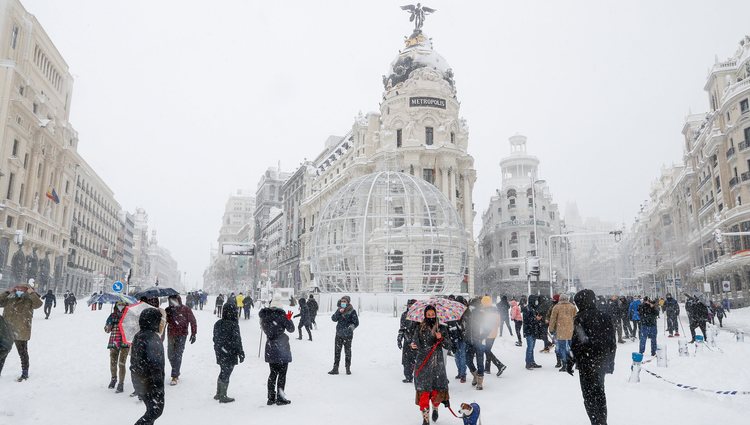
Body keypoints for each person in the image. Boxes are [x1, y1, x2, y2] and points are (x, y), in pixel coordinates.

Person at [568, 289, 617, 425]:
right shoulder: (605, 316)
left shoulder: (580, 318)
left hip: (586, 363)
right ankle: (602, 421)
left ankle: (595, 421)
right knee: (600, 394)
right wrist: (610, 362)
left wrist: (570, 361)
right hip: (601, 362)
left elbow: (577, 343)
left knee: (589, 396)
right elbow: (612, 342)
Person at [410, 305, 452, 425]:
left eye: (432, 314)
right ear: (424, 316)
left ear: (436, 314)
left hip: (437, 365)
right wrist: (413, 346)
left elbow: (449, 345)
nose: (430, 317)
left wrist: (441, 338)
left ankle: (435, 407)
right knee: (423, 393)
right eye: (428, 315)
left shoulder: (442, 328)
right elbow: (415, 342)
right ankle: (425, 418)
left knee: (436, 392)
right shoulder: (419, 328)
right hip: (423, 364)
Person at [0, 281, 43, 380]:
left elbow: (38, 304)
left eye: (22, 288)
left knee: (22, 353)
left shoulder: (30, 299)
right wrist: (7, 292)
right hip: (7, 330)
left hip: (21, 330)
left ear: (27, 289)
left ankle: (25, 373)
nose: (19, 290)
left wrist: (31, 293)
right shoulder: (9, 298)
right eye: (18, 288)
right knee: (2, 353)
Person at [130, 308, 165, 425]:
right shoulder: (153, 339)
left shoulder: (139, 335)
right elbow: (155, 365)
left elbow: (135, 359)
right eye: (160, 320)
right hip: (150, 383)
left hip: (139, 380)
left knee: (151, 410)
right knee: (155, 411)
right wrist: (158, 386)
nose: (161, 323)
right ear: (153, 321)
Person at [260, 295, 294, 405]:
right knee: (282, 374)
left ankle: (270, 398)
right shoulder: (282, 316)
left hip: (270, 346)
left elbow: (264, 329)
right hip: (282, 346)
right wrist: (288, 318)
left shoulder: (264, 316)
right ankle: (280, 397)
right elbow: (291, 329)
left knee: (272, 373)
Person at [212, 302, 244, 403]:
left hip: (220, 352)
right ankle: (223, 395)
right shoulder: (234, 325)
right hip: (230, 352)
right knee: (227, 372)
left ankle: (218, 393)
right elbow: (237, 340)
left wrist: (219, 348)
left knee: (222, 370)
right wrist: (240, 352)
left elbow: (215, 339)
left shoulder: (218, 323)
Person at [164, 295, 197, 386]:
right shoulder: (168, 310)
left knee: (178, 354)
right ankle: (176, 370)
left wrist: (194, 333)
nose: (171, 302)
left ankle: (174, 376)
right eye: (170, 301)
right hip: (171, 334)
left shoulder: (186, 309)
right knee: (170, 355)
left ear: (178, 300)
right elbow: (163, 322)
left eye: (173, 300)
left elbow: (193, 321)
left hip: (182, 334)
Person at [328, 295, 359, 375]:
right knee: (337, 352)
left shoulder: (352, 311)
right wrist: (339, 312)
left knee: (347, 352)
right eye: (342, 301)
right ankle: (335, 368)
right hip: (339, 334)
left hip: (348, 335)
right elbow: (333, 319)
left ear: (348, 302)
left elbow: (356, 322)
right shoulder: (339, 310)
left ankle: (347, 368)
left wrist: (351, 327)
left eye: (344, 301)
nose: (343, 303)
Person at [105, 301, 130, 393]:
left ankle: (121, 383)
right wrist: (108, 326)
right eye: (119, 304)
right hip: (114, 340)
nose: (120, 306)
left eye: (122, 304)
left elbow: (132, 328)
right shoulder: (112, 316)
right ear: (116, 305)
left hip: (124, 342)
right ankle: (113, 379)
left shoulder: (128, 315)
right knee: (113, 362)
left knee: (121, 363)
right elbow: (106, 329)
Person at [549, 293, 576, 372]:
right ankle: (571, 363)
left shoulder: (556, 307)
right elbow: (576, 319)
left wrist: (551, 329)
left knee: (562, 348)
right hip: (571, 331)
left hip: (560, 331)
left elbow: (553, 319)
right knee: (571, 348)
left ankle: (564, 364)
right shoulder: (572, 307)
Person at [481, 296, 506, 377]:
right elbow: (498, 323)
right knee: (488, 350)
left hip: (486, 333)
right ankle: (487, 368)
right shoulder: (496, 310)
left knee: (486, 350)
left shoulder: (483, 311)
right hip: (494, 333)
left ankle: (500, 365)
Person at [445, 297, 467, 383]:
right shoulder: (452, 313)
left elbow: (464, 326)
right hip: (455, 337)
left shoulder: (463, 313)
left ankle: (463, 374)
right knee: (458, 356)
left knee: (460, 356)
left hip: (459, 337)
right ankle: (460, 372)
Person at [398, 299, 418, 383]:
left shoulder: (419, 315)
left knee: (416, 360)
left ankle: (417, 376)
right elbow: (402, 328)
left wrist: (415, 339)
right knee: (406, 360)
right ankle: (408, 376)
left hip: (417, 340)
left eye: (412, 305)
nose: (410, 307)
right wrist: (399, 338)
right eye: (409, 305)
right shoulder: (404, 315)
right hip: (407, 340)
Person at [522, 295, 543, 369]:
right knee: (530, 347)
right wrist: (536, 319)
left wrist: (537, 319)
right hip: (529, 331)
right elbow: (527, 320)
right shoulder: (527, 308)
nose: (536, 302)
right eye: (535, 300)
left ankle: (532, 362)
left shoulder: (533, 308)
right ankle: (528, 363)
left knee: (532, 348)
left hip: (533, 330)